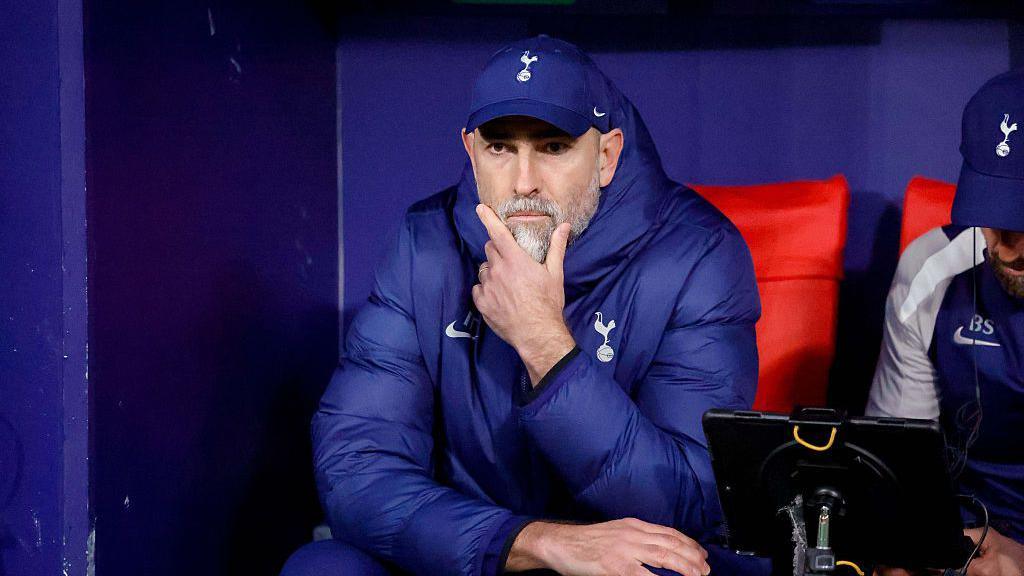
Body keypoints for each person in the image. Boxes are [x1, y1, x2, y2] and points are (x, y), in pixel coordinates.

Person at [283, 35, 765, 576]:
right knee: (323, 568)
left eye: (553, 148)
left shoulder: (699, 252)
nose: (524, 183)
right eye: (500, 148)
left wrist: (545, 344)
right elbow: (356, 468)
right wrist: (532, 542)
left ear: (606, 157)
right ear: (470, 150)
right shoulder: (425, 244)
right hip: (479, 554)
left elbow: (691, 501)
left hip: (621, 564)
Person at [867, 69, 1024, 575]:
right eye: (995, 216)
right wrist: (909, 546)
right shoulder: (932, 270)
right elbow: (896, 467)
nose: (1005, 248)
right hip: (963, 544)